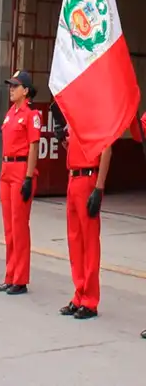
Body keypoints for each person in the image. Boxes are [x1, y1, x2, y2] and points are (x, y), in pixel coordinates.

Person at [54, 107, 111, 320]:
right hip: (73, 178)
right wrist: (63, 140)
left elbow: (106, 151)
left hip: (88, 179)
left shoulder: (98, 118)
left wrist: (99, 188)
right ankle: (79, 294)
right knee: (75, 241)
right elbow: (75, 148)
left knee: (89, 242)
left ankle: (90, 300)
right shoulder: (76, 119)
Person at [0, 71, 41, 295]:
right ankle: (10, 273)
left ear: (25, 90)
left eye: (16, 86)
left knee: (19, 225)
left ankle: (20, 278)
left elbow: (34, 146)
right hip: (7, 169)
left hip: (21, 169)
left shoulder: (31, 114)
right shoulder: (11, 113)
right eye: (10, 85)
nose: (11, 89)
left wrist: (28, 176)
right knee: (8, 226)